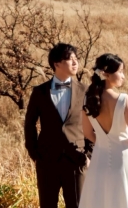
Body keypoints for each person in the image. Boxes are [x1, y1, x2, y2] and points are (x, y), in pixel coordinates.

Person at [24, 43, 93, 208]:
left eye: (77, 59)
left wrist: (89, 154)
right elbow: (29, 124)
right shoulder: (40, 92)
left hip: (77, 159)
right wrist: (34, 153)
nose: (75, 63)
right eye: (70, 59)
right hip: (47, 160)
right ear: (57, 64)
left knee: (78, 205)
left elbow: (93, 123)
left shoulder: (85, 90)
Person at [79, 53, 128, 208]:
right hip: (124, 157)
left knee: (99, 199)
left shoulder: (87, 100)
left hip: (99, 159)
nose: (123, 76)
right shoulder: (124, 100)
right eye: (120, 71)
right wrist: (124, 144)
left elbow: (87, 133)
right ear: (106, 73)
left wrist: (104, 143)